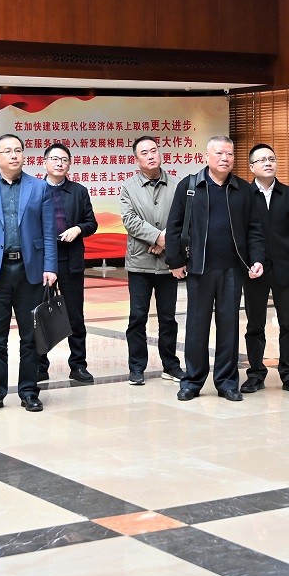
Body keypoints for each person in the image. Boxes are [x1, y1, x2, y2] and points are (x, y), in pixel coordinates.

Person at [166, 136, 265, 402]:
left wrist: (257, 258)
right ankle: (192, 381)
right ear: (206, 157)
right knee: (196, 328)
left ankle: (227, 382)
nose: (225, 158)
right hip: (199, 269)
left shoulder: (243, 190)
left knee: (229, 328)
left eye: (229, 154)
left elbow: (254, 229)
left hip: (233, 269)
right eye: (219, 153)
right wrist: (175, 262)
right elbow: (174, 226)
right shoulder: (190, 186)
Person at [0, 134, 58, 413]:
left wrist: (50, 266)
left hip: (30, 270)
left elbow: (49, 232)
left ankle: (29, 391)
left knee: (31, 337)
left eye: (18, 150)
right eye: (8, 151)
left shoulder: (39, 187)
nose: (14, 155)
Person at [241, 143, 289, 395]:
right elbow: (242, 235)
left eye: (272, 158)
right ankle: (256, 373)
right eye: (262, 160)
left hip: (286, 268)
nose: (268, 163)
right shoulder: (244, 195)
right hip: (254, 270)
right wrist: (246, 264)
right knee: (254, 325)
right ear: (251, 167)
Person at [119, 136, 184, 385]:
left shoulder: (177, 185)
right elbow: (130, 220)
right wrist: (157, 237)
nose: (150, 155)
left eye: (154, 150)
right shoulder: (128, 187)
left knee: (168, 318)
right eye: (144, 153)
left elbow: (183, 219)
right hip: (140, 262)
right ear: (137, 159)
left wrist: (166, 240)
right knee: (137, 317)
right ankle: (137, 367)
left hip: (169, 263)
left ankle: (171, 365)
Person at [37, 143, 98, 384]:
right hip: (42, 261)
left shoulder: (79, 191)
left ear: (69, 164)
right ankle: (40, 366)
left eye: (64, 159)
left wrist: (78, 229)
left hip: (70, 259)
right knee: (40, 314)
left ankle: (78, 365)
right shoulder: (34, 190)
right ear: (44, 163)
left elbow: (91, 223)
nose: (59, 163)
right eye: (54, 159)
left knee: (75, 315)